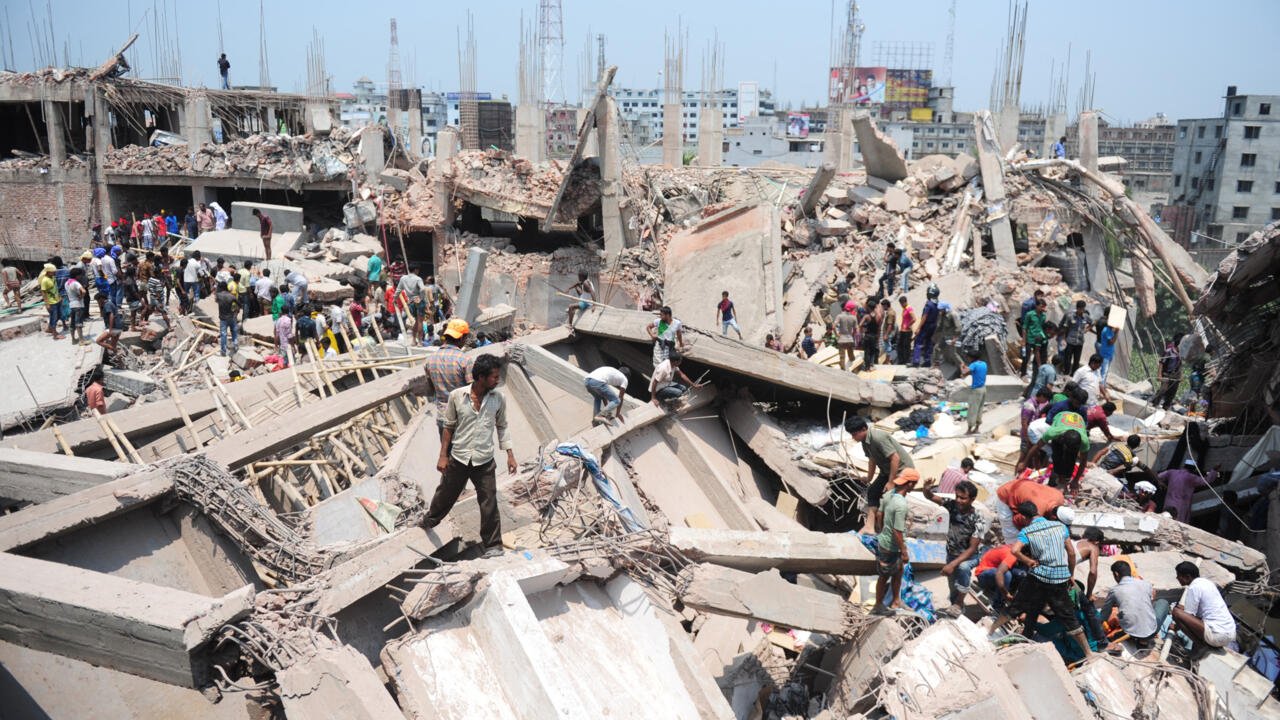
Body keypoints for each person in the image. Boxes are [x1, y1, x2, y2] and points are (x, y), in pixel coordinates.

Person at [424, 353, 517, 553]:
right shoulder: (457, 396)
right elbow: (448, 426)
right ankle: (429, 520)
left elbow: (502, 426)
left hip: (484, 461)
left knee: (489, 502)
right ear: (481, 377)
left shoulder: (499, 398)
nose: (497, 379)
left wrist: (510, 454)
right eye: (493, 376)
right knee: (446, 494)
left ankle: (493, 545)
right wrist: (443, 455)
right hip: (459, 457)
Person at [1008, 501, 1092, 657]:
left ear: (1024, 517)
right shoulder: (1060, 527)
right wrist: (1070, 574)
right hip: (1060, 578)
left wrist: (1028, 562)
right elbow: (1072, 554)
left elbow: (1014, 550)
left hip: (1041, 578)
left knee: (1033, 611)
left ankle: (1025, 640)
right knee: (1067, 617)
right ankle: (1089, 653)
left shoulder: (1028, 531)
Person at [846, 416, 915, 534]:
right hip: (887, 471)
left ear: (863, 429)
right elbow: (872, 460)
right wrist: (869, 478)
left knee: (889, 499)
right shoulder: (865, 442)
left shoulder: (878, 438)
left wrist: (891, 482)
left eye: (855, 434)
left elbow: (895, 458)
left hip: (902, 471)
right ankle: (870, 526)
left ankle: (889, 530)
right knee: (873, 491)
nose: (853, 437)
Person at [923, 478, 986, 608]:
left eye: (963, 498)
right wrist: (926, 488)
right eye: (957, 496)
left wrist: (952, 564)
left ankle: (959, 602)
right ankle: (956, 608)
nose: (958, 500)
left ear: (972, 499)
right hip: (952, 553)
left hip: (970, 556)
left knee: (963, 568)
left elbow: (972, 548)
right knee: (952, 589)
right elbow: (931, 497)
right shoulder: (952, 505)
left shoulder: (978, 518)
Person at [872, 468, 920, 616]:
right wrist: (904, 551)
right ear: (910, 484)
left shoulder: (889, 495)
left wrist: (880, 530)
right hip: (890, 547)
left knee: (898, 572)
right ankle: (878, 605)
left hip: (885, 541)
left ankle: (896, 600)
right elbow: (897, 531)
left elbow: (879, 514)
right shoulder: (901, 505)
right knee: (884, 575)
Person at [1096, 561, 1166, 654]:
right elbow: (1148, 602)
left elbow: (1103, 616)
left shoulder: (1114, 590)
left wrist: (1097, 634)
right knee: (1163, 602)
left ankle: (1140, 638)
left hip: (1129, 632)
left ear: (1116, 574)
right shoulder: (1146, 584)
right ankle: (1144, 640)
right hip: (1150, 632)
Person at [1171, 561, 1236, 653]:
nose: (1177, 578)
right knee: (1182, 611)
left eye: (1179, 575)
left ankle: (1201, 645)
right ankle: (1202, 645)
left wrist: (1175, 627)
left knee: (1176, 612)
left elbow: (1188, 616)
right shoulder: (1207, 583)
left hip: (1217, 635)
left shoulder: (1194, 587)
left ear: (1188, 577)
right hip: (1229, 634)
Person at [423, 319, 472, 434]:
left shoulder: (430, 360)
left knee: (446, 450)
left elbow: (430, 390)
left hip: (443, 417)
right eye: (465, 338)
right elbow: (472, 391)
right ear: (461, 338)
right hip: (462, 417)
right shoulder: (465, 360)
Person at [994, 473, 1065, 542]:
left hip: (1024, 488)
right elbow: (1017, 520)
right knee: (1012, 534)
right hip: (1007, 493)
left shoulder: (1060, 497)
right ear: (1053, 517)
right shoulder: (1038, 511)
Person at [1158, 457, 1215, 523]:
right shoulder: (1191, 477)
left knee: (1165, 519)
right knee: (1178, 523)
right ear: (1193, 469)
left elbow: (1159, 476)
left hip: (1169, 502)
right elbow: (1205, 481)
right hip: (1181, 506)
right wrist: (1214, 471)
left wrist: (1161, 484)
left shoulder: (1172, 472)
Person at [976, 544, 1024, 612]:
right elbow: (1000, 573)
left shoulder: (1012, 546)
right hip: (983, 575)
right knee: (1007, 574)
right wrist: (1006, 594)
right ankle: (997, 605)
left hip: (991, 574)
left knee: (1020, 574)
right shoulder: (1012, 555)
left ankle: (1003, 597)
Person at [911, 283, 941, 367]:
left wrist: (918, 328)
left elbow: (924, 317)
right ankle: (927, 361)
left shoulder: (929, 304)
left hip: (926, 326)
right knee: (928, 343)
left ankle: (916, 361)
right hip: (933, 326)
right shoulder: (938, 304)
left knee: (918, 342)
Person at [959, 351, 988, 434]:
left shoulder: (973, 365)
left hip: (976, 390)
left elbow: (964, 373)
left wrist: (962, 367)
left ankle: (969, 429)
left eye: (969, 357)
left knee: (972, 410)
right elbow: (974, 371)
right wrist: (967, 368)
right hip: (983, 389)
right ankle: (977, 428)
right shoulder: (983, 364)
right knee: (980, 408)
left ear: (972, 358)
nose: (968, 359)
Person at [397, 265, 427, 343]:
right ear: (416, 270)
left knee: (416, 321)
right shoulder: (418, 279)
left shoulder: (403, 278)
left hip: (411, 302)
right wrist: (421, 298)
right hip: (418, 301)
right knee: (420, 321)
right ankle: (420, 341)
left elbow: (398, 289)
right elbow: (423, 288)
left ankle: (414, 340)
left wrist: (394, 298)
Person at [1023, 297, 1049, 381]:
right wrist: (1024, 340)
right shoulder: (1030, 314)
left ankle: (1035, 374)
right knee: (1027, 357)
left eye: (1044, 307)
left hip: (1039, 339)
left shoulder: (1043, 316)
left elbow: (1043, 327)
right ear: (1036, 306)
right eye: (1041, 306)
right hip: (1030, 339)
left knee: (1038, 357)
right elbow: (1024, 328)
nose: (1042, 308)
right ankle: (1023, 373)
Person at [1156, 336, 1184, 410]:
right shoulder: (1168, 351)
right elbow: (1161, 363)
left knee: (1172, 393)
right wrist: (1159, 375)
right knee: (1163, 390)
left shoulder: (1181, 354)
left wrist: (1181, 375)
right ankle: (1154, 403)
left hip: (1176, 376)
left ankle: (1166, 408)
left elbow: (1180, 365)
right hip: (1167, 374)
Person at [1062, 300, 1089, 374]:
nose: (1081, 311)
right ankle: (1066, 373)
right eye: (1080, 309)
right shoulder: (1070, 316)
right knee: (1067, 358)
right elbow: (1065, 328)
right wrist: (1064, 339)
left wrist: (1087, 329)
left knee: (1076, 360)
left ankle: (1073, 374)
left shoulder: (1085, 317)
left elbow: (1092, 322)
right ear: (1077, 308)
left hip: (1079, 342)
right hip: (1070, 341)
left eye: (1083, 309)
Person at [38, 263, 63, 340]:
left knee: (59, 316)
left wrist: (59, 297)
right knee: (54, 318)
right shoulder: (45, 280)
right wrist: (47, 304)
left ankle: (49, 329)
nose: (55, 273)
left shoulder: (52, 277)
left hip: (57, 300)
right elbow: (43, 292)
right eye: (53, 271)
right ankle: (55, 335)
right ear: (48, 272)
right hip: (51, 302)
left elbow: (55, 288)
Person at [215, 281, 238, 356]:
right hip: (231, 316)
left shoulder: (218, 295)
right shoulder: (231, 296)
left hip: (223, 318)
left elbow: (216, 301)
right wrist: (236, 311)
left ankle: (223, 351)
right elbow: (239, 304)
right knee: (234, 332)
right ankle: (236, 345)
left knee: (223, 334)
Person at [64, 268, 87, 345]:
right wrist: (81, 296)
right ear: (77, 275)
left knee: (72, 323)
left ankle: (73, 339)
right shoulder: (76, 283)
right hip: (78, 305)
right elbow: (84, 291)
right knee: (79, 323)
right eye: (80, 275)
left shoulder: (67, 283)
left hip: (71, 305)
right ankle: (81, 340)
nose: (81, 277)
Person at [834, 300, 858, 371]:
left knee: (842, 357)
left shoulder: (839, 316)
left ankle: (843, 369)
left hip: (841, 339)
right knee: (851, 355)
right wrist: (852, 335)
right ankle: (854, 368)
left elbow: (833, 326)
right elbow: (856, 329)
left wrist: (837, 334)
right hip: (850, 339)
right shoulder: (854, 317)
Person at [860, 297, 881, 370]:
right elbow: (879, 328)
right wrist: (878, 337)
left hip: (867, 335)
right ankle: (872, 365)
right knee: (873, 351)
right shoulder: (878, 316)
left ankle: (867, 367)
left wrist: (862, 332)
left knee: (867, 351)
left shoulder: (866, 316)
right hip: (874, 336)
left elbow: (860, 325)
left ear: (869, 307)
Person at [896, 295, 914, 364]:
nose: (901, 305)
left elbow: (914, 318)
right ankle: (902, 360)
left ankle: (906, 360)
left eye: (902, 303)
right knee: (900, 346)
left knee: (906, 346)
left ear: (905, 302)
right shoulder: (905, 308)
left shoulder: (909, 308)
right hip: (903, 330)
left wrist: (908, 325)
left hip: (907, 331)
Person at [879, 297, 896, 363]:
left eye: (883, 306)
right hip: (890, 331)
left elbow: (890, 324)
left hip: (889, 332)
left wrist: (886, 334)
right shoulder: (891, 311)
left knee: (888, 346)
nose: (882, 308)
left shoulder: (890, 313)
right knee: (889, 345)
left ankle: (888, 360)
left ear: (886, 305)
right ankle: (889, 359)